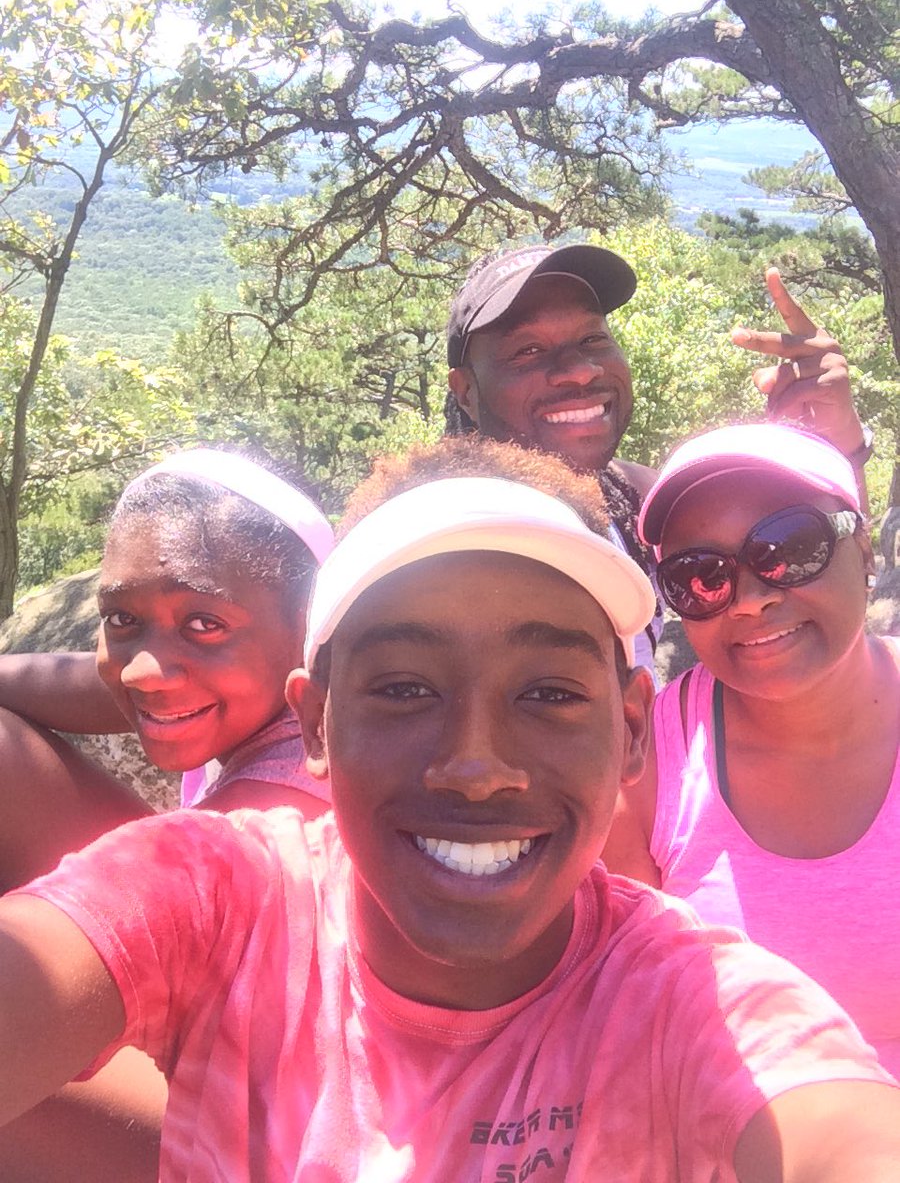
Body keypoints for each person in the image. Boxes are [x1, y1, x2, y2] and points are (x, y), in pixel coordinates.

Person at [1, 437, 899, 1182]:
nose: (476, 768)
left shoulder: (692, 1004)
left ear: (631, 730)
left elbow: (838, 1129)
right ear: (315, 721)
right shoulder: (216, 898)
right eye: (404, 688)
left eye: (548, 693)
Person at [0, 447, 334, 1181]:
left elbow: (196, 878)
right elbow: (81, 681)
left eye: (204, 624)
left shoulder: (284, 805)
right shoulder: (260, 694)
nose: (146, 670)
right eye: (123, 619)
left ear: (309, 634)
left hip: (289, 1132)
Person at [603, 422, 900, 1075]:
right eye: (701, 576)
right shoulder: (648, 767)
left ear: (864, 549)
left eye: (790, 547)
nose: (751, 600)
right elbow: (628, 1016)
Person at [444, 243, 874, 676]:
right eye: (528, 350)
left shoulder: (636, 503)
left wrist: (836, 446)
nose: (580, 369)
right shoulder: (439, 549)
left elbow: (831, 570)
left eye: (592, 338)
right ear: (465, 391)